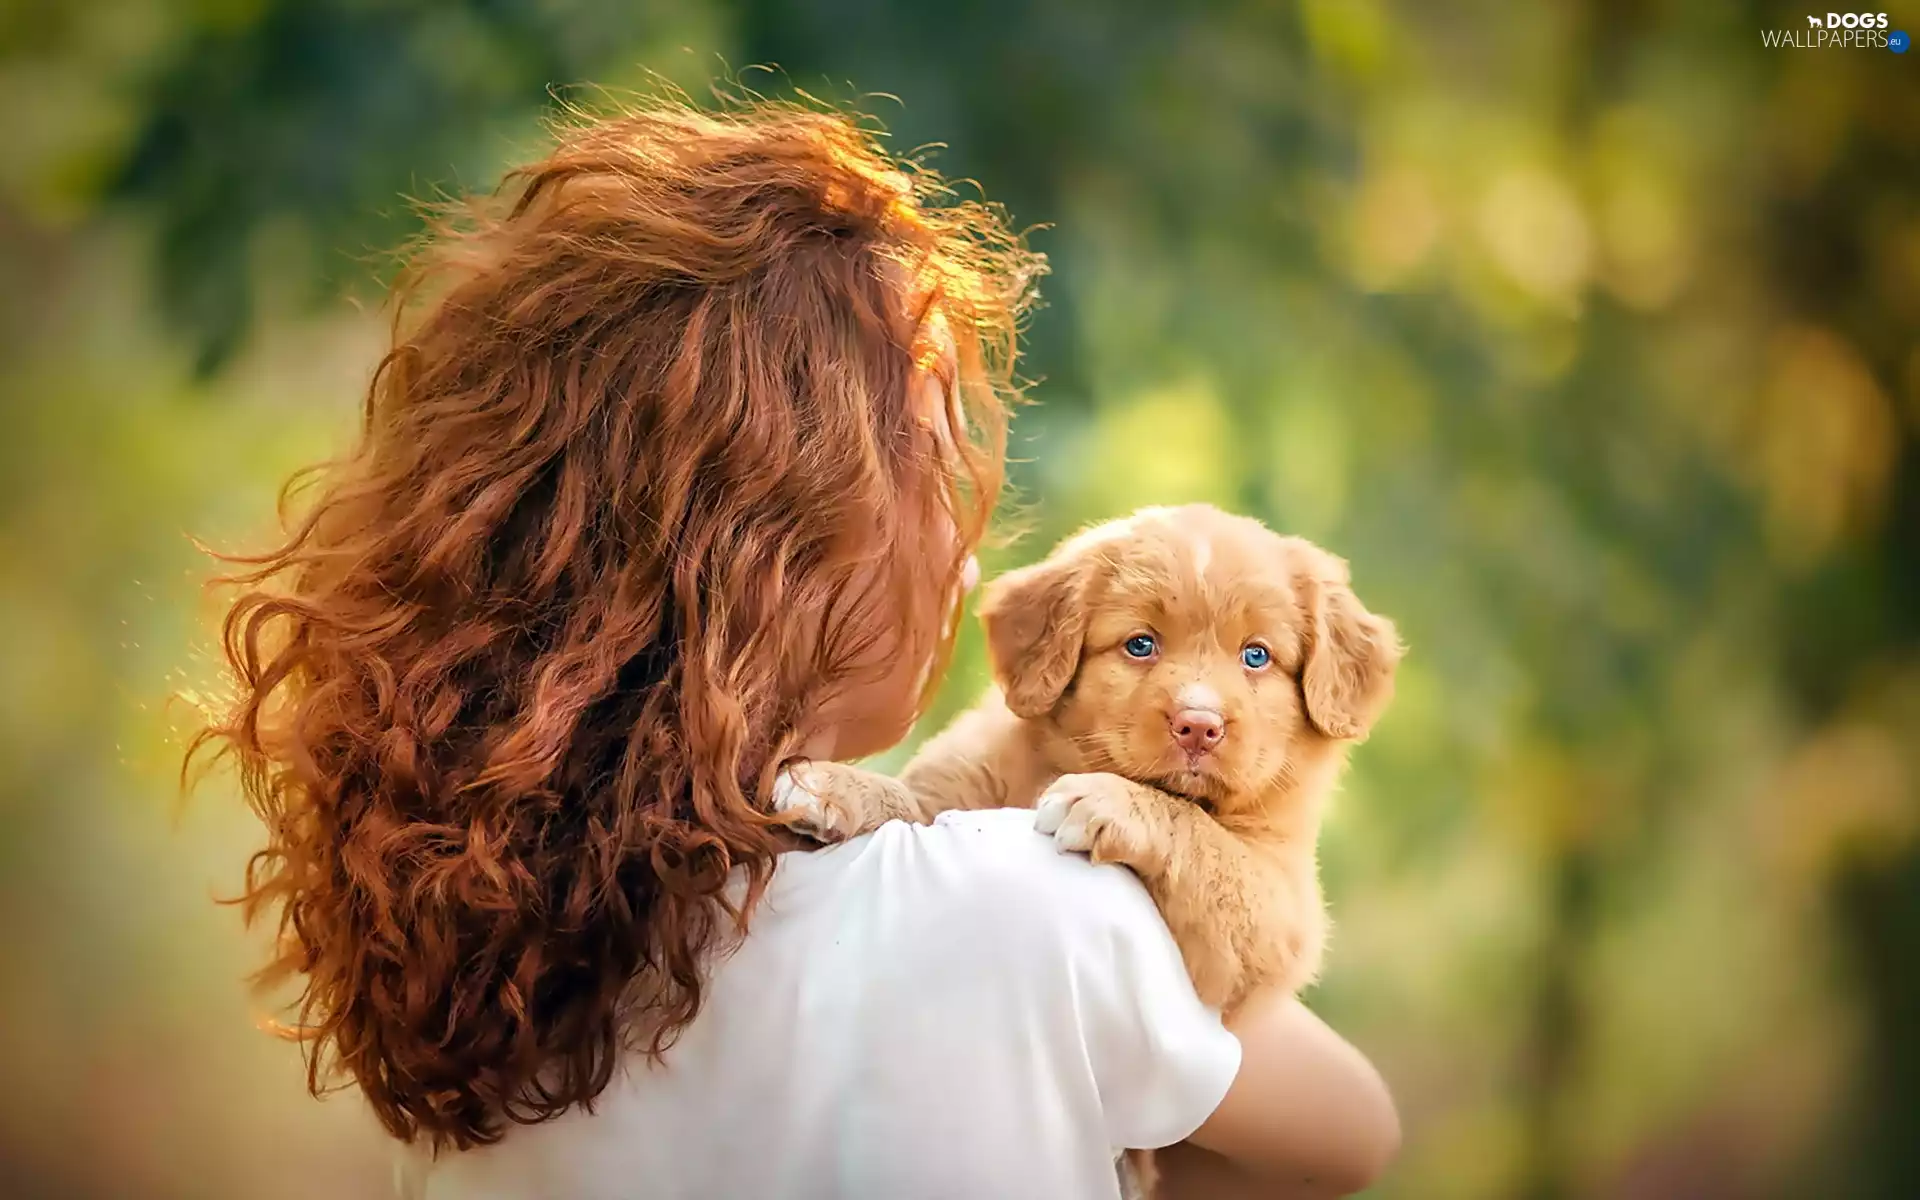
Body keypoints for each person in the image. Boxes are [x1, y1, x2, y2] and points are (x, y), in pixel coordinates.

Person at [191, 96, 1400, 1200]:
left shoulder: (502, 993)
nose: (968, 540)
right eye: (928, 462)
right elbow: (1355, 1134)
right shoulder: (1029, 904)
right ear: (775, 546)